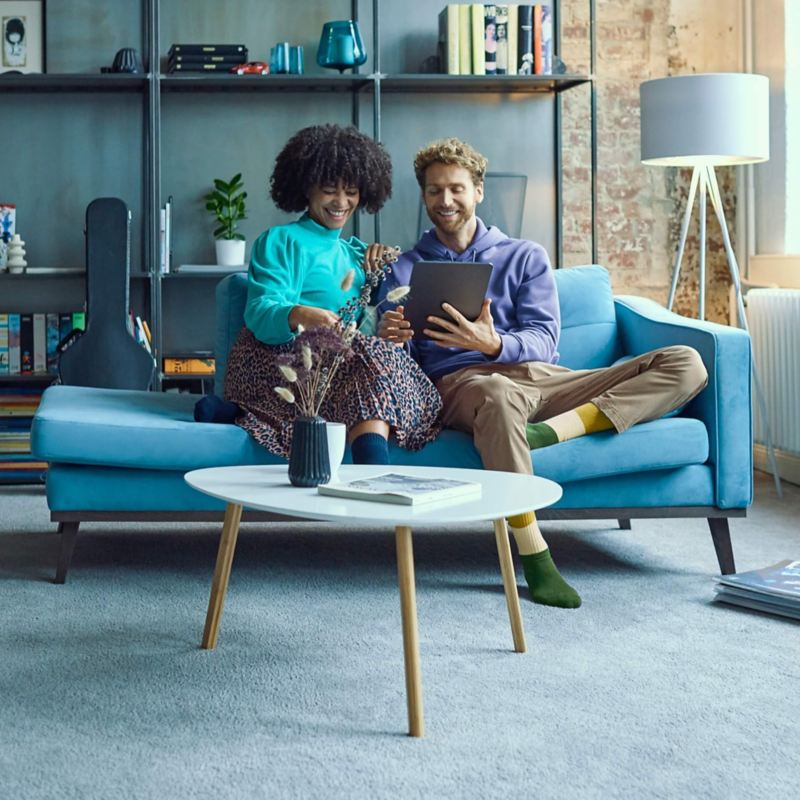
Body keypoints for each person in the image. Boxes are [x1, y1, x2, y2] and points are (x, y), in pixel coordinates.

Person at [377, 138, 708, 609]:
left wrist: (495, 343)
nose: (444, 201)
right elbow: (402, 362)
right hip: (464, 386)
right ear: (424, 196)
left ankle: (548, 433)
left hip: (540, 378)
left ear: (478, 191)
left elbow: (543, 340)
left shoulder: (524, 256)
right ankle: (534, 555)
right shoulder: (405, 267)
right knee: (495, 391)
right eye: (434, 191)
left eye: (455, 189)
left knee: (685, 362)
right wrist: (391, 334)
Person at [224, 124, 442, 465]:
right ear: (306, 187)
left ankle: (372, 483)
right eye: (329, 190)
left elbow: (362, 329)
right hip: (277, 362)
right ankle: (375, 476)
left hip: (337, 372)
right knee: (375, 360)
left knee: (380, 355)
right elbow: (261, 312)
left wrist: (383, 321)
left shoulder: (357, 254)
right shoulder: (281, 241)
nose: (341, 202)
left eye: (352, 192)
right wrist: (301, 314)